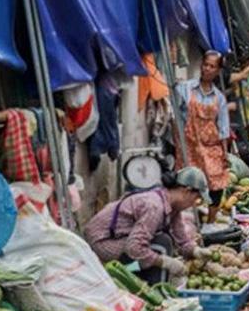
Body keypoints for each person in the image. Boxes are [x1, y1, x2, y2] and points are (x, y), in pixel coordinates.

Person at [85, 166, 206, 284]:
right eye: (197, 198)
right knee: (161, 245)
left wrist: (196, 251)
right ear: (186, 191)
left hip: (122, 238)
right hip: (103, 240)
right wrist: (166, 262)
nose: (194, 204)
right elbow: (135, 248)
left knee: (160, 244)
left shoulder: (173, 207)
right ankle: (155, 289)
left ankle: (131, 272)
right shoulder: (154, 206)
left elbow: (182, 240)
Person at [179, 51, 231, 223]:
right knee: (188, 183)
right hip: (189, 146)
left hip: (211, 146)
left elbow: (223, 129)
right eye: (205, 64)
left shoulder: (219, 98)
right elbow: (175, 115)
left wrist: (225, 154)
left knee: (217, 183)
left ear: (218, 71)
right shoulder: (185, 88)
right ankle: (186, 222)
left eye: (212, 66)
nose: (207, 69)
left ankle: (210, 222)